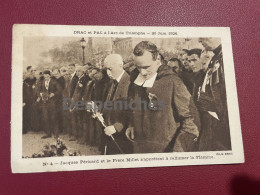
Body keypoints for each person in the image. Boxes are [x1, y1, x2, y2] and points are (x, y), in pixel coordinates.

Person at [128, 41, 200, 153]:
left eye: (147, 67)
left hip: (165, 150)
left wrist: (179, 148)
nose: (142, 72)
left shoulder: (173, 81)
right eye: (138, 67)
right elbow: (135, 106)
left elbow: (190, 119)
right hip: (140, 149)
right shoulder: (136, 81)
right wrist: (132, 124)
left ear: (157, 60)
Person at [196, 38, 231, 151]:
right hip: (210, 115)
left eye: (202, 37)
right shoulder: (217, 57)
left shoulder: (224, 56)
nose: (199, 40)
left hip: (219, 116)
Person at [102, 54, 133, 155]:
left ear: (120, 65)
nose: (108, 72)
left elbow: (132, 111)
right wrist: (99, 112)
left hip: (123, 135)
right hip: (110, 132)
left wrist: (116, 127)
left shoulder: (130, 83)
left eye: (110, 69)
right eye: (106, 69)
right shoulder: (112, 83)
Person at [39, 70, 62, 139]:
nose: (46, 77)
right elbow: (40, 90)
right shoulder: (43, 82)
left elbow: (60, 90)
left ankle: (56, 134)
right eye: (44, 76)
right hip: (45, 102)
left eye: (47, 76)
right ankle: (48, 133)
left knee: (53, 118)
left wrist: (54, 94)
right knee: (45, 118)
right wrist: (41, 94)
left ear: (50, 75)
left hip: (53, 102)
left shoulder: (54, 82)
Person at [70, 66, 88, 141]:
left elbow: (82, 93)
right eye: (76, 71)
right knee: (76, 119)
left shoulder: (85, 79)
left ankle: (82, 137)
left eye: (79, 71)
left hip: (80, 102)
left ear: (83, 72)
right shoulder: (78, 79)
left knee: (81, 120)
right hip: (75, 101)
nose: (77, 73)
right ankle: (76, 136)